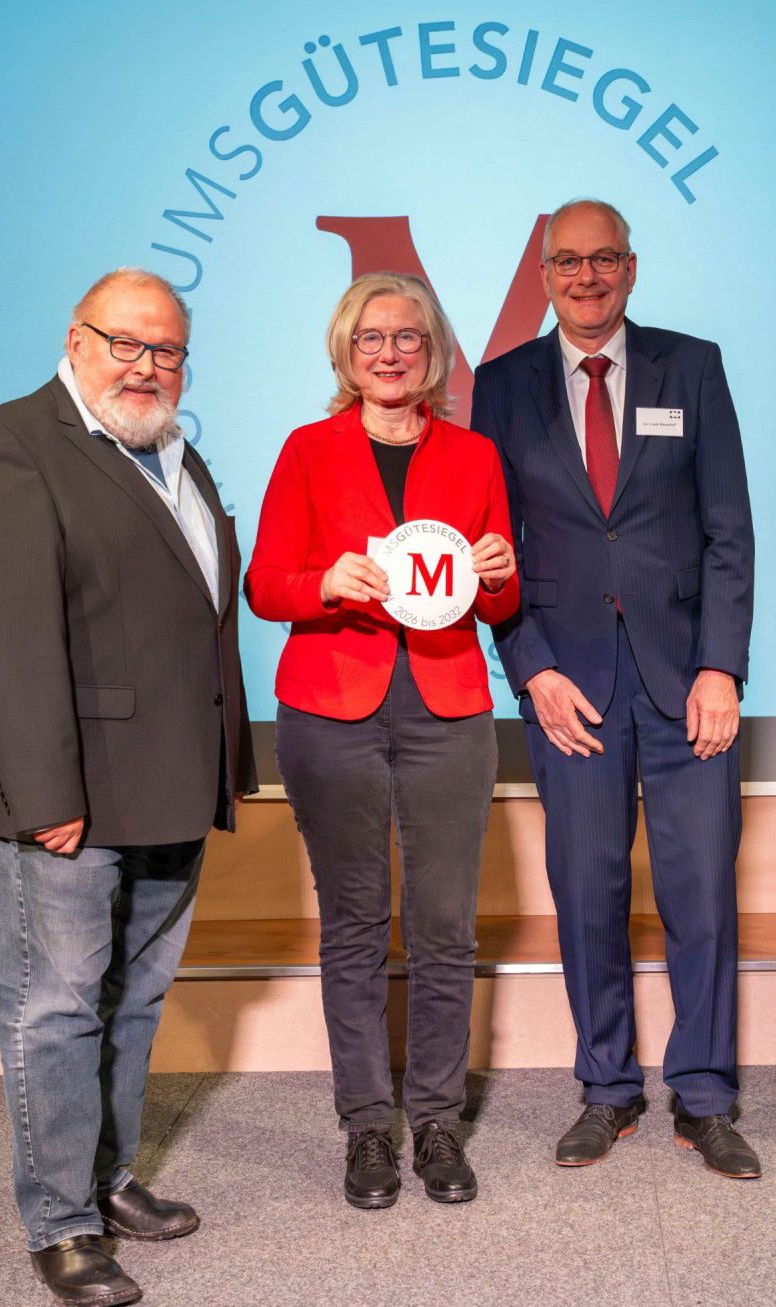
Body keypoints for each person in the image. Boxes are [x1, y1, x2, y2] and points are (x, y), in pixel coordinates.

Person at [0, 267, 257, 1307]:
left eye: (165, 349)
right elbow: (4, 637)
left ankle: (105, 1181)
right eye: (126, 343)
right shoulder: (8, 444)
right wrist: (41, 793)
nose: (146, 365)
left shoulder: (172, 447)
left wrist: (224, 760)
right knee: (55, 1010)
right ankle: (60, 1222)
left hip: (169, 782)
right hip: (68, 795)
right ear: (75, 340)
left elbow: (193, 615)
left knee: (133, 1002)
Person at [471, 199, 760, 1178]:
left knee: (701, 891)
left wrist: (721, 664)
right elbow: (491, 551)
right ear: (543, 274)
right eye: (566, 262)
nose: (585, 277)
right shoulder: (499, 384)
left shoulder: (693, 364)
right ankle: (604, 1087)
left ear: (630, 268)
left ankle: (707, 1093)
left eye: (603, 260)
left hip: (688, 684)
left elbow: (729, 529)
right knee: (585, 889)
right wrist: (531, 667)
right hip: (568, 684)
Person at [244, 273, 519, 1210]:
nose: (390, 352)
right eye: (371, 338)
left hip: (447, 706)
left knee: (445, 924)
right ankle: (367, 1125)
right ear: (345, 353)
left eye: (407, 337)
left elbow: (501, 599)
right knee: (355, 922)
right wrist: (327, 582)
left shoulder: (476, 455)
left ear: (432, 352)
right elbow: (267, 584)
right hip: (330, 710)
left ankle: (437, 1116)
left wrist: (499, 570)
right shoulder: (309, 449)